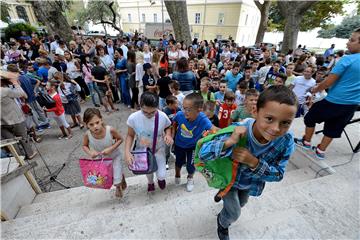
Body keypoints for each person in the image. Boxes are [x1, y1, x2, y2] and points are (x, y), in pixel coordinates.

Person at [198, 85, 298, 240]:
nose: (276, 128)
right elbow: (203, 153)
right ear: (255, 112)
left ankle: (224, 204)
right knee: (234, 213)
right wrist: (229, 142)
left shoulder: (286, 142)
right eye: (269, 119)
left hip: (250, 184)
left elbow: (278, 174)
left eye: (285, 123)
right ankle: (222, 224)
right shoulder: (238, 131)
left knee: (242, 203)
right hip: (228, 181)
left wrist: (254, 162)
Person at [295, 28, 360, 160]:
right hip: (352, 104)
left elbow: (329, 81)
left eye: (352, 40)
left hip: (334, 100)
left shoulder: (347, 59)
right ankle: (321, 151)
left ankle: (306, 142)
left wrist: (315, 89)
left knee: (310, 118)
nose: (348, 43)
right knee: (334, 127)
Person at [125, 92, 173, 192]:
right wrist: (127, 152)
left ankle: (160, 179)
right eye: (145, 112)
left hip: (158, 148)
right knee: (148, 170)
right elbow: (130, 135)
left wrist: (168, 135)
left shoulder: (162, 116)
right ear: (140, 105)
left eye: (152, 112)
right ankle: (150, 182)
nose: (149, 115)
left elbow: (168, 126)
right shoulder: (133, 118)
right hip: (143, 151)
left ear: (157, 107)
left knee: (161, 174)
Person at [172, 93, 216, 192]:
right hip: (179, 145)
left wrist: (230, 131)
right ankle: (177, 174)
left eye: (188, 109)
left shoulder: (203, 119)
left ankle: (190, 178)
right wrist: (171, 135)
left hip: (192, 146)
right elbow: (173, 123)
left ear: (199, 109)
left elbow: (214, 129)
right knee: (178, 162)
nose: (184, 112)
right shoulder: (179, 115)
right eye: (183, 108)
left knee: (191, 165)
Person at [82, 108, 127, 198]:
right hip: (102, 160)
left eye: (97, 122)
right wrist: (90, 153)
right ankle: (121, 177)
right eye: (91, 124)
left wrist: (111, 148)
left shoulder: (110, 130)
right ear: (86, 125)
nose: (95, 126)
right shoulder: (88, 135)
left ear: (101, 120)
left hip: (115, 156)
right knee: (109, 176)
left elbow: (120, 139)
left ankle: (118, 187)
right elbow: (84, 145)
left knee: (116, 179)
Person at [1, 70, 37, 159]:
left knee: (11, 141)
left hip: (1, 122)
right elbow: (21, 94)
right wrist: (15, 83)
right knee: (23, 137)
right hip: (15, 119)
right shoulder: (4, 90)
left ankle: (19, 157)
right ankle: (29, 153)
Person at [163, 95, 181, 169]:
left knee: (177, 145)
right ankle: (165, 161)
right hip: (168, 132)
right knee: (167, 146)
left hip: (177, 130)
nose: (177, 105)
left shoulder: (178, 110)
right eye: (175, 103)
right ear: (170, 104)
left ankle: (175, 154)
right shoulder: (164, 111)